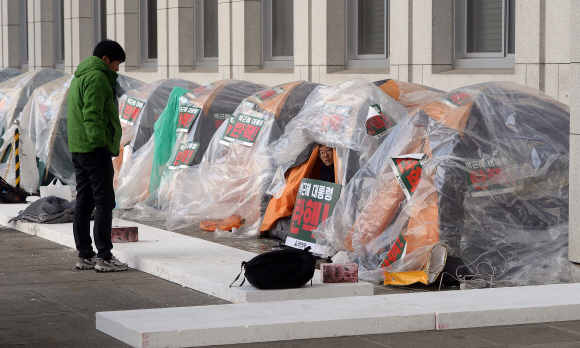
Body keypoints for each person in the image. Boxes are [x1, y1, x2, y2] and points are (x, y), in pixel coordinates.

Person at [68, 40, 128, 272]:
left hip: (79, 148)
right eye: (116, 63)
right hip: (94, 149)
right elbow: (91, 113)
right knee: (104, 201)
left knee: (84, 201)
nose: (117, 69)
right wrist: (100, 146)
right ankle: (104, 256)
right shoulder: (97, 78)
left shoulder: (80, 76)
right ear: (105, 59)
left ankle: (85, 255)